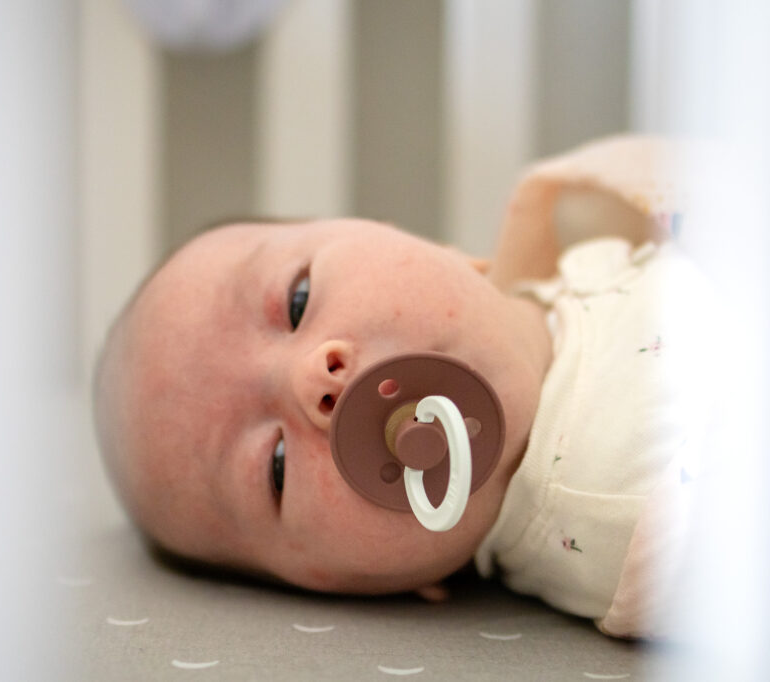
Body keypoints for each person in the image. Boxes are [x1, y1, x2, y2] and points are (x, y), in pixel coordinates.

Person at [92, 137, 717, 638]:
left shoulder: (595, 225)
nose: (312, 381)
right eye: (277, 468)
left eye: (297, 299)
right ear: (360, 588)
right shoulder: (625, 526)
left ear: (403, 236)